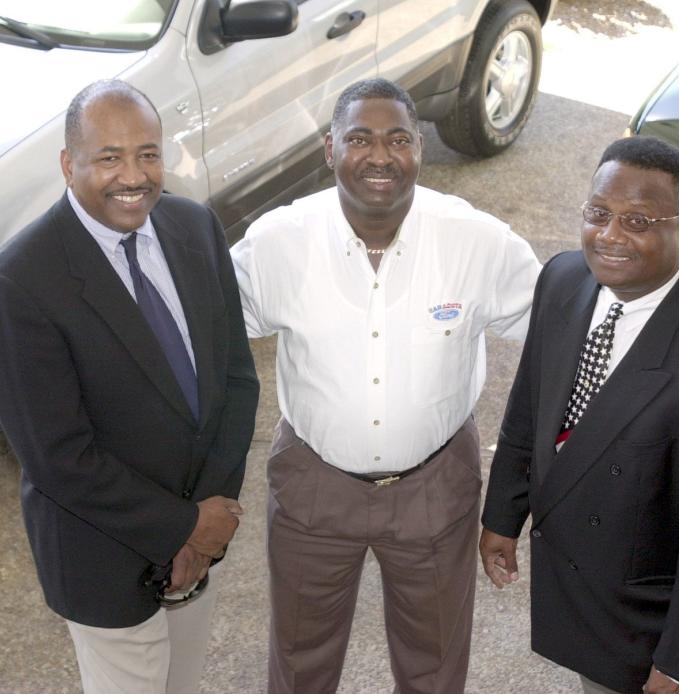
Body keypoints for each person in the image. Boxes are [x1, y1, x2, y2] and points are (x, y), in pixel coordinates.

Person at [232, 78, 541, 693]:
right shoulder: (277, 243)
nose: (380, 156)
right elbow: (207, 334)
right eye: (359, 139)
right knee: (299, 661)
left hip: (435, 484)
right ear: (329, 149)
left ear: (420, 150)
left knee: (435, 661)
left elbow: (556, 324)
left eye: (399, 138)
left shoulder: (477, 241)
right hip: (313, 484)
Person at [480, 135, 679, 694]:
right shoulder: (563, 279)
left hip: (652, 626)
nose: (610, 236)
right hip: (586, 600)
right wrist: (504, 513)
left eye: (638, 221)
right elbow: (530, 405)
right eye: (598, 213)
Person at [0, 80, 259, 694]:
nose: (134, 176)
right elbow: (58, 458)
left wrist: (211, 517)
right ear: (68, 164)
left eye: (148, 154)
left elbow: (236, 377)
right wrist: (181, 526)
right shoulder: (19, 283)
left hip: (203, 535)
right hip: (101, 558)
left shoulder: (196, 228)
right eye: (109, 157)